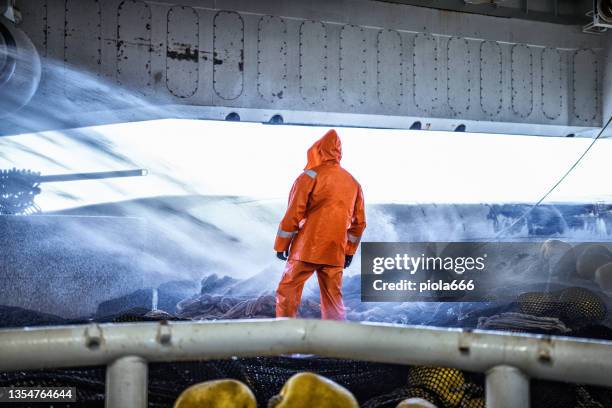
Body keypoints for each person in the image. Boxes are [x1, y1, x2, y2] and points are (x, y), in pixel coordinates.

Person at [274, 129, 366, 320]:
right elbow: (358, 225)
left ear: (318, 150)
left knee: (288, 290)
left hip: (306, 249)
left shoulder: (309, 176)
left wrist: (281, 245)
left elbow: (293, 214)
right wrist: (348, 252)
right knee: (333, 299)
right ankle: (335, 343)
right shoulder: (353, 183)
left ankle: (285, 338)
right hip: (335, 251)